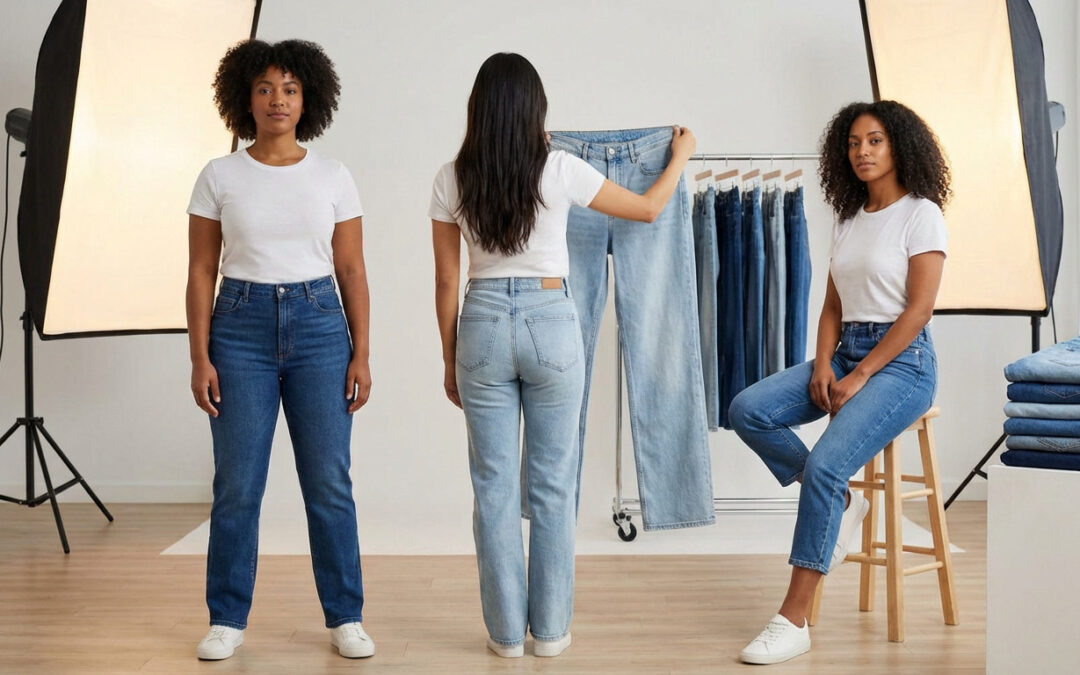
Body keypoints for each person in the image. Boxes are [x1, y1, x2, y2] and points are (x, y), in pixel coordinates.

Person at [430, 52, 696, 659]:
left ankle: (503, 637)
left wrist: (450, 358)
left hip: (481, 321)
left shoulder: (451, 177)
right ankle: (548, 634)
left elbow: (447, 282)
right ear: (535, 111)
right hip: (553, 322)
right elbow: (650, 209)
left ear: (478, 110)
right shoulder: (560, 169)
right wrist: (680, 153)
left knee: (493, 488)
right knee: (551, 486)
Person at [728, 100, 951, 665]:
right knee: (747, 409)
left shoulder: (921, 213)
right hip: (846, 347)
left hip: (903, 364)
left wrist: (863, 372)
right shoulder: (848, 218)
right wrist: (825, 364)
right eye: (853, 143)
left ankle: (792, 620)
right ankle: (840, 501)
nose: (862, 152)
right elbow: (831, 305)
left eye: (874, 141)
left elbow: (919, 311)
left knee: (827, 464)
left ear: (899, 146)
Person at [186, 39, 374, 661]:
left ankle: (345, 615)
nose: (277, 100)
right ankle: (226, 618)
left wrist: (361, 352)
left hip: (321, 329)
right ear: (245, 97)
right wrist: (200, 356)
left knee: (329, 481)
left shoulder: (333, 176)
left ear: (308, 98)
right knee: (238, 484)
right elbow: (200, 271)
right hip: (238, 330)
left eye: (290, 89)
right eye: (265, 88)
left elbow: (351, 270)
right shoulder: (220, 175)